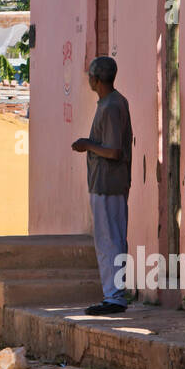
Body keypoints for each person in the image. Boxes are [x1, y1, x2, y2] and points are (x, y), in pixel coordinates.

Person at [71, 56, 133, 316]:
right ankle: (113, 293)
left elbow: (114, 151)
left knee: (109, 239)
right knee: (113, 237)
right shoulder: (116, 102)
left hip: (108, 182)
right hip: (108, 181)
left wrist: (87, 144)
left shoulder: (110, 106)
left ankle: (114, 296)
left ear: (96, 79)